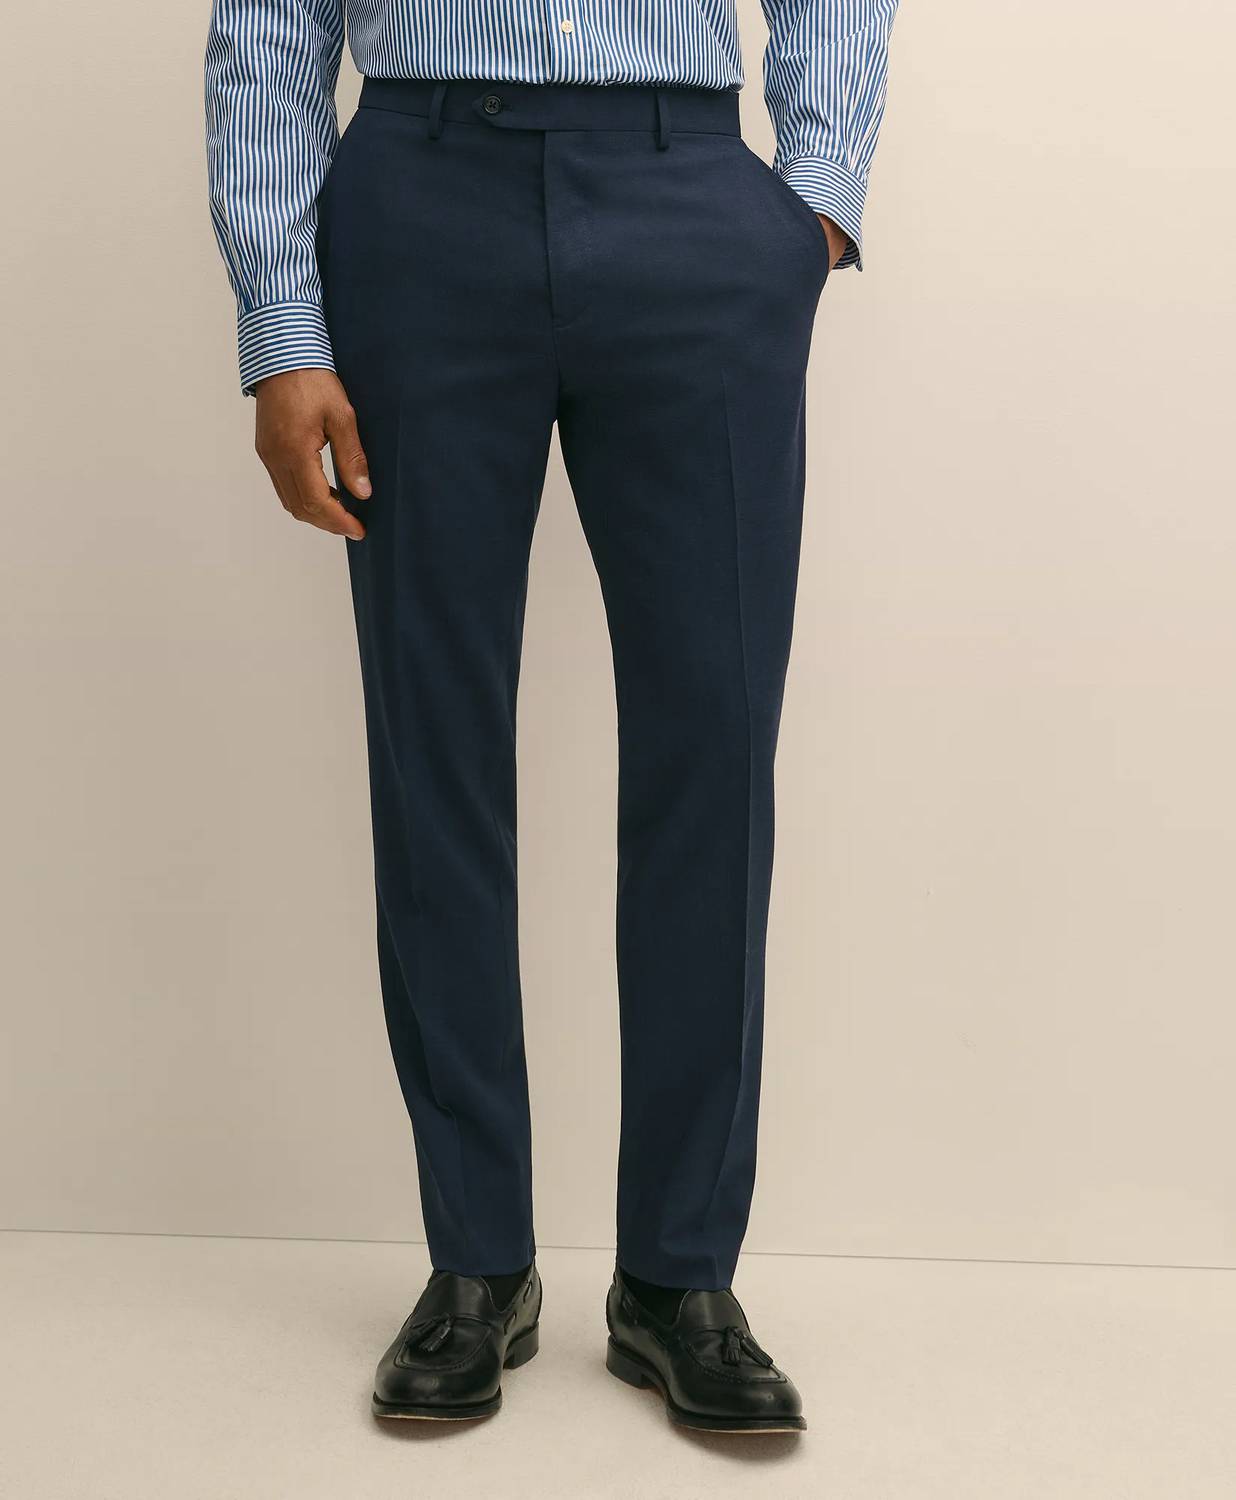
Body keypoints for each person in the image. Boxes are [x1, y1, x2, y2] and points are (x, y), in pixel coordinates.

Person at [205, 0, 899, 1435]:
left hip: (689, 201)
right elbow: (269, 21)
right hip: (419, 203)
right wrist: (280, 327)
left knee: (715, 749)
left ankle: (681, 1275)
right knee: (435, 749)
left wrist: (815, 202)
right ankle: (477, 1261)